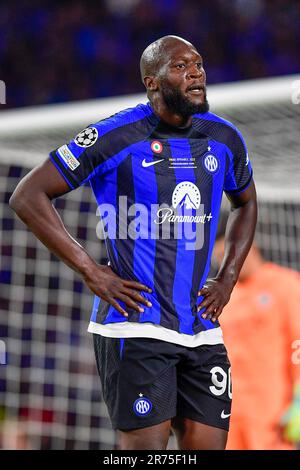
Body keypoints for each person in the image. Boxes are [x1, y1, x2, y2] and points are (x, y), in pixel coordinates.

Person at [9, 35, 257, 450]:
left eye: (198, 64)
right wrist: (91, 272)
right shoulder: (116, 135)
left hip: (202, 329)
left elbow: (246, 203)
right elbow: (28, 195)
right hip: (136, 323)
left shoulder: (224, 138)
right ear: (152, 82)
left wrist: (227, 277)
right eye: (180, 67)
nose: (195, 72)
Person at [214, 221, 300, 450]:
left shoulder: (285, 285)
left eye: (230, 255)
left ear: (248, 246)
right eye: (221, 258)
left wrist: (299, 399)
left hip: (273, 413)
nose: (229, 264)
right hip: (230, 415)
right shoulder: (223, 298)